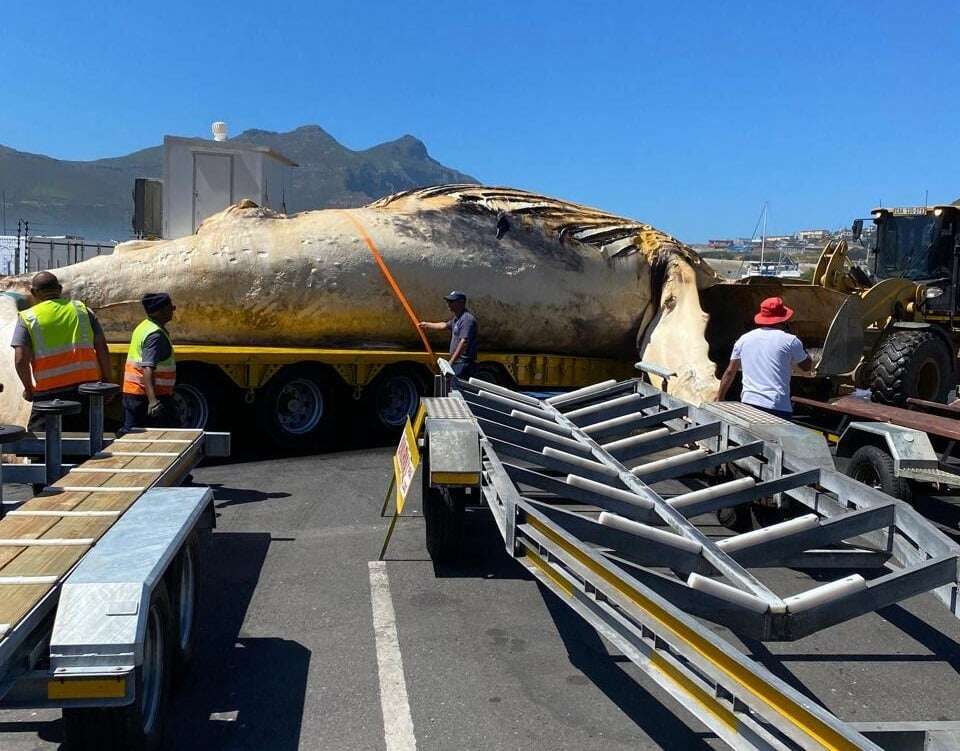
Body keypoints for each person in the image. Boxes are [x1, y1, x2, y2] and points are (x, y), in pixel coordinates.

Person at [11, 271, 112, 432]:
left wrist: (29, 389)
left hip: (48, 395)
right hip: (87, 391)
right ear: (59, 288)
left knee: (40, 448)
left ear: (33, 293)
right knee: (88, 444)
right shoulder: (82, 311)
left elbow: (20, 360)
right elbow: (102, 348)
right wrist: (107, 381)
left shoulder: (28, 318)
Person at [717, 296, 813, 419]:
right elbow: (807, 367)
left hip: (748, 404)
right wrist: (802, 346)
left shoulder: (744, 339)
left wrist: (720, 398)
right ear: (783, 319)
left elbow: (730, 372)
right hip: (777, 408)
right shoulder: (790, 340)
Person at [121, 293, 179, 433]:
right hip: (146, 397)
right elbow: (148, 368)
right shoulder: (155, 335)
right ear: (161, 311)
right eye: (171, 307)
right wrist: (153, 401)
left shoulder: (144, 326)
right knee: (165, 437)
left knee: (134, 435)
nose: (174, 309)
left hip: (135, 393)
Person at [418, 290, 479, 379]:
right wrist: (427, 324)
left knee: (457, 389)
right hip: (457, 362)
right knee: (452, 388)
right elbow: (444, 325)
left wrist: (451, 361)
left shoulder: (467, 320)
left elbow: (464, 342)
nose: (448, 304)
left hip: (463, 363)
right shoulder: (457, 319)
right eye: (448, 301)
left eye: (451, 301)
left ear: (461, 302)